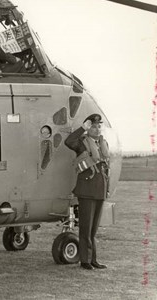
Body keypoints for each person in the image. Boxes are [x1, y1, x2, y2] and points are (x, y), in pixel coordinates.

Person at [64, 114, 110, 270]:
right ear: (88, 127)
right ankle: (85, 260)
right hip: (87, 190)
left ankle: (93, 259)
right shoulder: (81, 144)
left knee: (93, 229)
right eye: (93, 126)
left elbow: (105, 170)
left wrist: (107, 190)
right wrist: (82, 127)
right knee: (86, 228)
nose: (96, 129)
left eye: (98, 126)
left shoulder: (103, 144)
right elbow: (68, 141)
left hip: (99, 191)